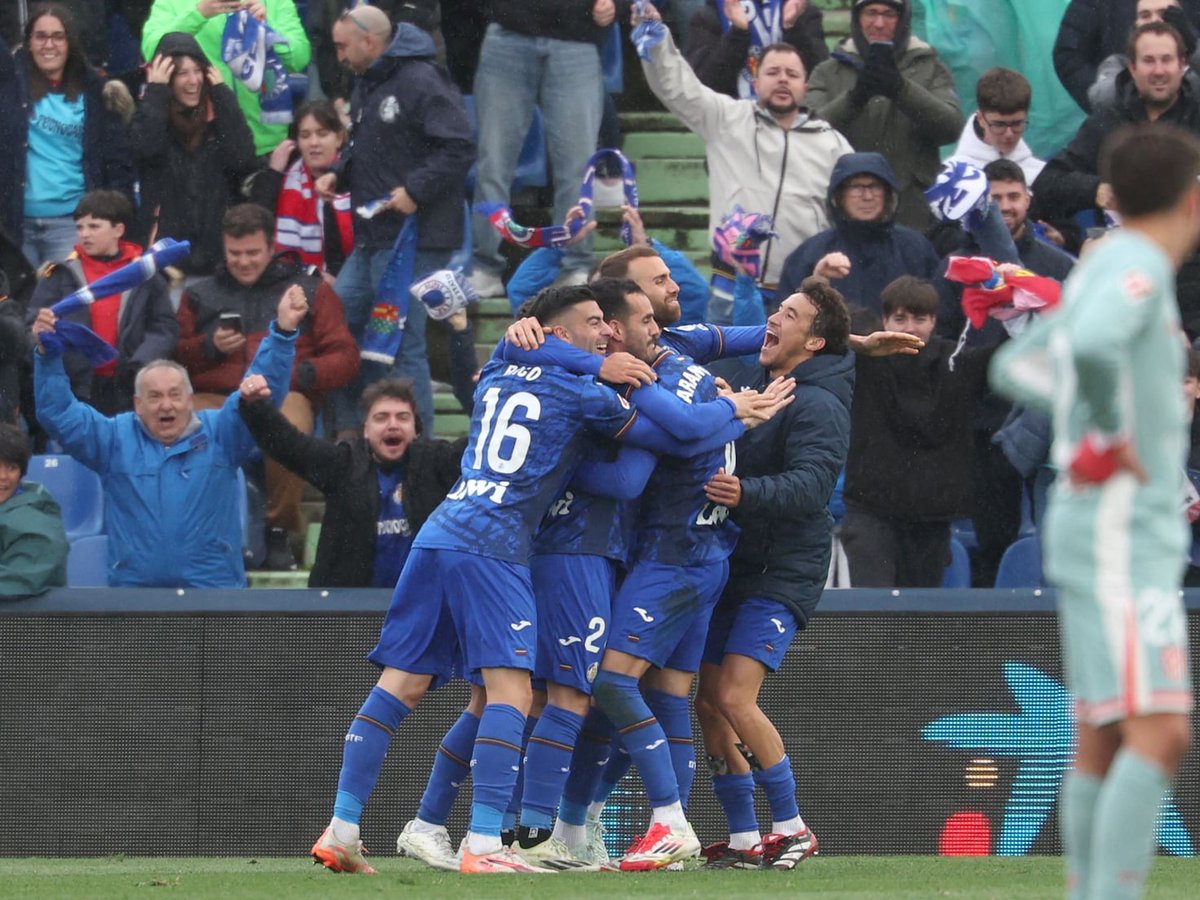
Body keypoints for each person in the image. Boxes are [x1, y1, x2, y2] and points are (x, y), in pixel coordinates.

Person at [308, 284, 676, 876]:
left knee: (400, 687)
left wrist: (550, 346)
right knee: (513, 694)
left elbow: (515, 349)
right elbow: (668, 435)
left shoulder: (502, 368)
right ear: (555, 334)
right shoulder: (586, 395)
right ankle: (483, 844)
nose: (605, 332)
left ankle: (342, 828)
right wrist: (726, 412)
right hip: (494, 544)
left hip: (440, 529)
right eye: (591, 323)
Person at [991, 121, 1199, 900]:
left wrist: (1084, 424)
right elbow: (1099, 349)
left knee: (1105, 735)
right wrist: (1108, 437)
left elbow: (1020, 363)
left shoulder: (1104, 262)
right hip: (1119, 529)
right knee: (1160, 728)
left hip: (1101, 523)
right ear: (1191, 198)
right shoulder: (1138, 264)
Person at [695, 275, 854, 869]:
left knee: (736, 696)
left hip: (784, 569)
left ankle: (792, 827)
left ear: (813, 343)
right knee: (709, 702)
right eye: (777, 310)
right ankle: (743, 838)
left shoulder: (820, 404)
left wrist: (744, 492)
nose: (773, 319)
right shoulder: (763, 387)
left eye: (788, 314)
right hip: (738, 563)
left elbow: (814, 488)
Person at [31, 280, 307, 588]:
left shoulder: (221, 433)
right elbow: (59, 414)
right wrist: (47, 355)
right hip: (137, 598)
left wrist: (282, 334)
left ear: (190, 399)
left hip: (214, 594)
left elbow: (260, 390)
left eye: (175, 395)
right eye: (155, 396)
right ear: (137, 404)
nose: (167, 405)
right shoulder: (113, 439)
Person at [316, 7, 474, 434]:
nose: (339, 56)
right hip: (372, 238)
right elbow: (367, 145)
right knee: (338, 332)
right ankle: (352, 436)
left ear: (370, 41)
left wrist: (414, 191)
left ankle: (417, 451)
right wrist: (339, 171)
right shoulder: (368, 82)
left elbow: (459, 147)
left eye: (342, 46)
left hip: (415, 239)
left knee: (403, 345)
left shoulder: (422, 80)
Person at [175, 203, 358, 570]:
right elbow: (173, 357)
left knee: (285, 428)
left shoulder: (307, 288)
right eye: (234, 253)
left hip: (285, 393)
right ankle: (202, 530)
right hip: (215, 395)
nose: (243, 261)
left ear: (272, 246)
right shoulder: (200, 293)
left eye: (253, 253)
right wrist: (207, 347)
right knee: (184, 428)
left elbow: (345, 355)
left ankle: (278, 532)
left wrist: (304, 374)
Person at [634, 3, 852, 296]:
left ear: (806, 86)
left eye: (792, 74)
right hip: (731, 285)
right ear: (756, 80)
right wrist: (658, 41)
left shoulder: (831, 142)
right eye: (773, 72)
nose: (783, 79)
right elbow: (677, 87)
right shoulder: (726, 119)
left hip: (802, 289)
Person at [935, 159, 1075, 587]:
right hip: (980, 422)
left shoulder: (1059, 265)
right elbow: (937, 334)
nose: (1006, 206)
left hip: (1044, 423)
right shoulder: (954, 267)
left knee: (1052, 544)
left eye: (1013, 196)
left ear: (1029, 199)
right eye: (995, 199)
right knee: (992, 542)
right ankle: (993, 635)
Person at [238, 377, 464, 588]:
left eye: (402, 417)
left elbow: (483, 446)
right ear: (366, 430)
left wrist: (499, 392)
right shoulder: (343, 464)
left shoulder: (436, 462)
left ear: (415, 429)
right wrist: (255, 405)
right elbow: (289, 445)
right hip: (350, 609)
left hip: (422, 606)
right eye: (381, 417)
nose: (392, 425)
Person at [467, 1, 613, 298]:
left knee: (577, 167)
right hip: (508, 32)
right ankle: (485, 266)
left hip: (577, 39)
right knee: (494, 161)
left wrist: (617, 7)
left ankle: (575, 267)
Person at [1033, 21, 1200, 254]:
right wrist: (1096, 190)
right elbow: (1048, 182)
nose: (1159, 71)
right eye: (1149, 61)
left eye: (1167, 60)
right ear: (1132, 68)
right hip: (1126, 263)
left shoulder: (1196, 117)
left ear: (1182, 64)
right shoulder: (1108, 121)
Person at [804, 0, 963, 231]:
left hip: (913, 216)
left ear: (903, 19)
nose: (879, 23)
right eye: (871, 13)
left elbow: (951, 127)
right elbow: (809, 134)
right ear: (857, 18)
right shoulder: (828, 71)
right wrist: (855, 97)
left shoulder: (929, 66)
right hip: (843, 218)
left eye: (889, 14)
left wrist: (900, 89)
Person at [2, 4, 134, 268]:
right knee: (19, 309)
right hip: (16, 226)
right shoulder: (9, 87)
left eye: (58, 36)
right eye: (40, 36)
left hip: (71, 224)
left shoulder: (97, 91)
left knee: (67, 308)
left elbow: (117, 164)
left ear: (70, 43)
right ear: (28, 43)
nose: (48, 45)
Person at [129, 32, 258, 300]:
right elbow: (144, 148)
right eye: (182, 74)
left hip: (216, 263)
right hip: (168, 267)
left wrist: (222, 94)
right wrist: (156, 92)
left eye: (198, 71)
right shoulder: (153, 117)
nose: (193, 81)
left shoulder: (217, 121)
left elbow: (242, 158)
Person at [28, 190, 179, 416]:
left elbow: (164, 328)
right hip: (75, 385)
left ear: (118, 229)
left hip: (129, 385)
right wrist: (40, 334)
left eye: (94, 226)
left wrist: (139, 366)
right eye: (79, 227)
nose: (84, 234)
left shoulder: (145, 274)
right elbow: (32, 323)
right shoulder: (59, 273)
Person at [141, 0, 312, 158]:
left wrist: (265, 29)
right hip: (203, 142)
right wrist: (199, 14)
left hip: (266, 144)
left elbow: (299, 58)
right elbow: (152, 49)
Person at [775, 151, 941, 313]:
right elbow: (785, 319)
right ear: (839, 195)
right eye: (857, 187)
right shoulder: (811, 253)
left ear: (888, 193)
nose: (867, 196)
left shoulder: (915, 247)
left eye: (875, 187)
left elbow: (938, 311)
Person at [246, 100, 353, 278]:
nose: (314, 143)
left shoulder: (355, 176)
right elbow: (254, 224)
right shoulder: (284, 177)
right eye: (305, 135)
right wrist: (273, 173)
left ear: (339, 138)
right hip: (298, 284)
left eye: (322, 134)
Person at [1053, 0, 1200, 112]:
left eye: (1163, 14)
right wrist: (1119, 102)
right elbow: (1069, 56)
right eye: (1145, 15)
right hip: (1120, 124)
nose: (1155, 21)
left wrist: (1193, 45)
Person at [683, 0, 829, 101]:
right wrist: (738, 34)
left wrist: (792, 28)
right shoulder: (710, 15)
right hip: (733, 123)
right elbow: (704, 85)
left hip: (793, 122)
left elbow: (820, 79)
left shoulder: (801, 10)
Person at [0, 423, 68, 599]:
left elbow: (17, 580)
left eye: (11, 467)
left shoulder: (38, 523)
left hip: (26, 622)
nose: (3, 476)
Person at [946, 67, 1046, 186]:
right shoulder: (952, 179)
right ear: (980, 119)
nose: (1009, 134)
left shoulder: (1041, 173)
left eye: (1017, 124)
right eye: (999, 125)